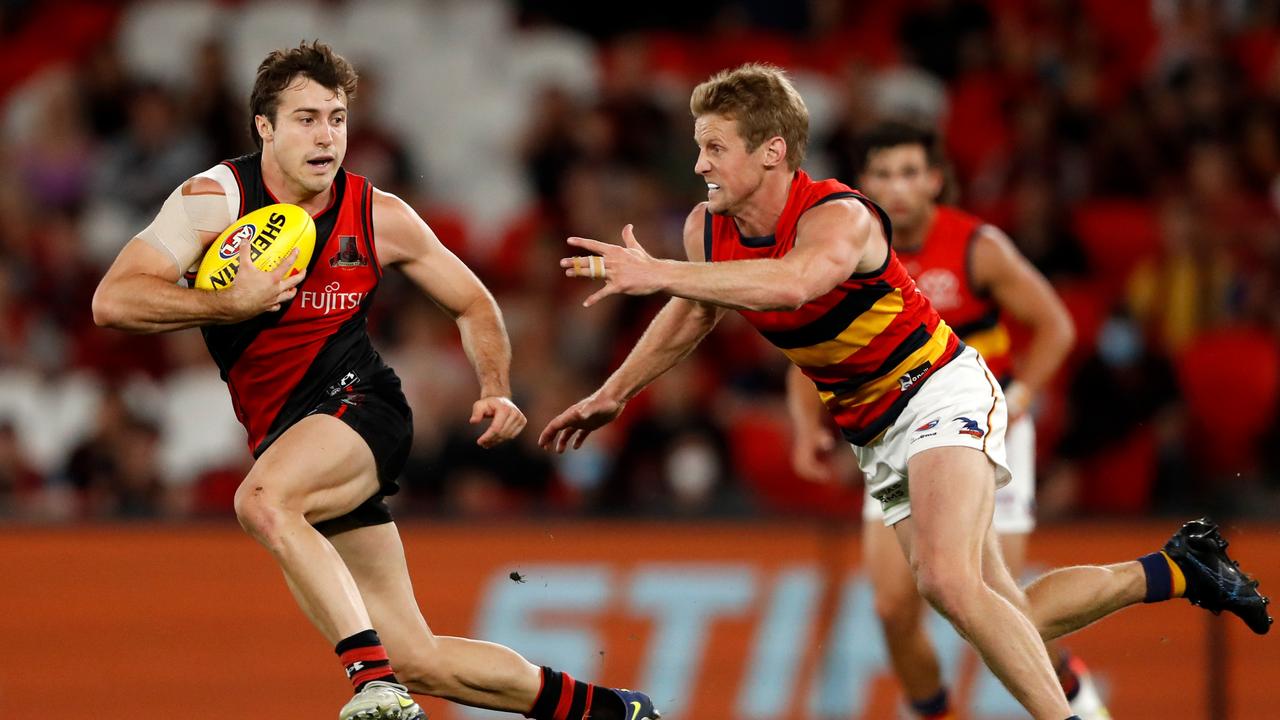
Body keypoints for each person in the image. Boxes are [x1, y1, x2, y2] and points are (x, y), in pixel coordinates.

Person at [538, 63, 1271, 720]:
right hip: (875, 433)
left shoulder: (840, 216)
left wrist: (660, 270)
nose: (698, 164)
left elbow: (793, 282)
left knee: (948, 585)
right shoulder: (709, 231)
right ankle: (1179, 568)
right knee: (993, 606)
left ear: (772, 151)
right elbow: (693, 314)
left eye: (715, 147)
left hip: (938, 390)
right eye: (699, 147)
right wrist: (615, 393)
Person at [93, 41, 659, 720]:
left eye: (336, 118)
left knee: (263, 503)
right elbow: (113, 302)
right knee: (417, 655)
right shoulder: (215, 201)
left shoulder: (377, 214)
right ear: (264, 127)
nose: (326, 135)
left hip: (363, 407)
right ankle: (612, 710)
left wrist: (495, 385)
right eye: (305, 118)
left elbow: (473, 301)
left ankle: (371, 683)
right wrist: (227, 304)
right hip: (286, 433)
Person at [786, 120, 1103, 719]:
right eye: (882, 174)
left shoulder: (975, 247)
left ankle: (1080, 702)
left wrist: (1026, 393)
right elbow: (807, 341)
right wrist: (806, 427)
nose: (896, 188)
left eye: (909, 173)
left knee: (998, 605)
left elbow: (1055, 324)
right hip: (894, 430)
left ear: (935, 180)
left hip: (979, 423)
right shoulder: (843, 247)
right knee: (892, 609)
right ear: (863, 183)